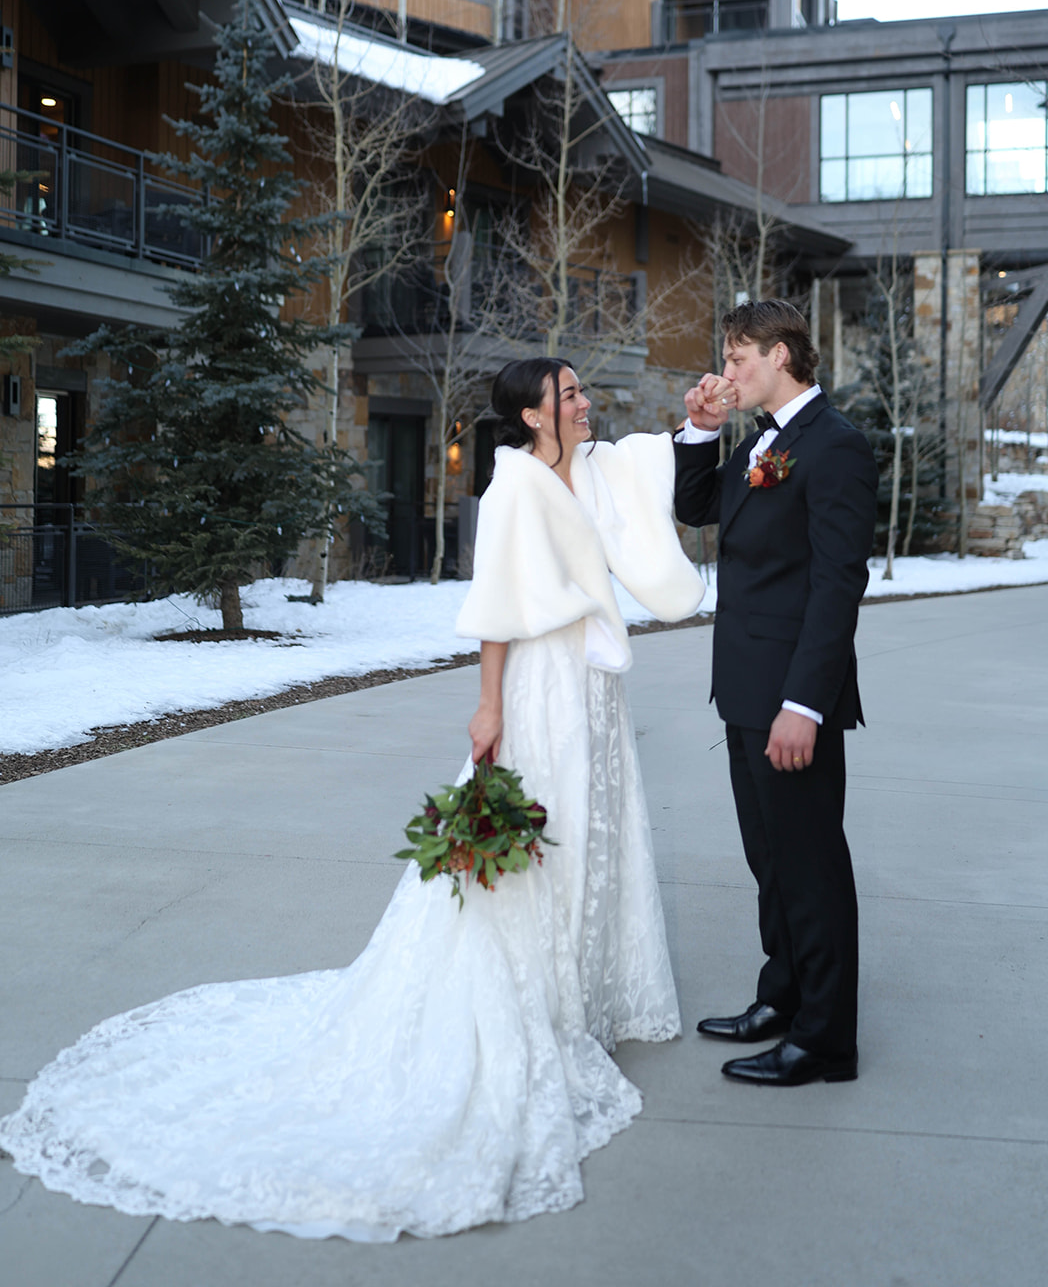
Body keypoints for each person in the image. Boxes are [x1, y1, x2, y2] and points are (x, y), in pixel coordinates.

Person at [0, 357, 705, 1240]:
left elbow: (654, 465)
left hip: (595, 688)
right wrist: (487, 706)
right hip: (538, 685)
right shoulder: (516, 489)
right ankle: (539, 999)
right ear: (531, 416)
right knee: (542, 823)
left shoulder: (594, 467)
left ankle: (582, 990)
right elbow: (495, 610)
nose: (582, 402)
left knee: (593, 826)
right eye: (566, 394)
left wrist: (698, 421)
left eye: (578, 391)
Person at [673, 299, 878, 1087]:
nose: (726, 373)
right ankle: (783, 997)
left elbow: (836, 585)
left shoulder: (833, 447)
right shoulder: (765, 441)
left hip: (792, 697)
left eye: (736, 358)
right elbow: (696, 508)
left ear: (782, 355)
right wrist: (697, 429)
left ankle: (825, 1043)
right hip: (743, 689)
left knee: (810, 865)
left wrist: (804, 705)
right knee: (771, 861)